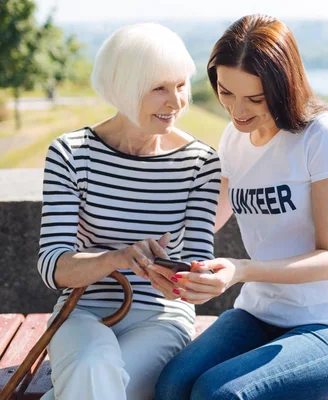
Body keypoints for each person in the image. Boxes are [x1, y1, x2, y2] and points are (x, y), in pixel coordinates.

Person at [154, 14, 328, 400]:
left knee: (217, 394)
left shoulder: (322, 136)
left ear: (283, 86)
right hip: (259, 314)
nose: (237, 111)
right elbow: (204, 221)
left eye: (254, 99)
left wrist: (240, 270)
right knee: (172, 386)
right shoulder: (233, 139)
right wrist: (165, 261)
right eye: (226, 93)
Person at [37, 23, 221, 400]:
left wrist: (181, 280)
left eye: (181, 85)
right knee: (91, 367)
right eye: (159, 89)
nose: (176, 102)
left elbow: (197, 269)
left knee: (93, 384)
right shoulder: (71, 154)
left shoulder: (201, 164)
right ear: (124, 87)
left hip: (161, 318)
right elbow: (53, 267)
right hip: (81, 310)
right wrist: (117, 258)